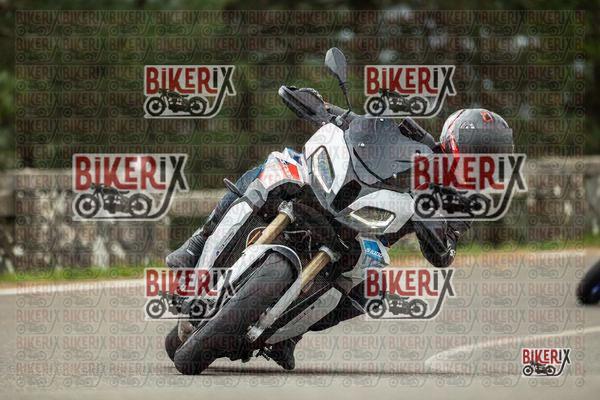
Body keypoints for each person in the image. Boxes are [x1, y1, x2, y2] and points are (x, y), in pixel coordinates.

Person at [166, 107, 513, 370]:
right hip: (335, 192)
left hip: (366, 233)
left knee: (371, 290)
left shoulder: (460, 203)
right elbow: (364, 128)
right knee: (274, 168)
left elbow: (444, 252)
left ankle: (292, 334)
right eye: (468, 154)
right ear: (451, 140)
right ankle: (198, 242)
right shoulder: (411, 135)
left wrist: (435, 233)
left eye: (480, 160)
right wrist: (323, 108)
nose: (467, 164)